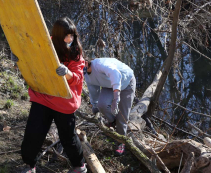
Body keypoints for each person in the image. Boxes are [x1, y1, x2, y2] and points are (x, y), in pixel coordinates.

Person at [21, 17, 87, 173]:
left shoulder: (75, 52)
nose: (69, 39)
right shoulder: (46, 44)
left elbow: (77, 77)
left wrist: (67, 73)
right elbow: (32, 60)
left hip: (64, 100)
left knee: (67, 137)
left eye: (71, 35)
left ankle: (79, 166)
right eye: (66, 35)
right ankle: (30, 165)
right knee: (33, 132)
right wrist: (19, 59)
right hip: (43, 95)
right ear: (57, 36)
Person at [84, 57, 136, 156]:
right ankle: (112, 121)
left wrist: (116, 98)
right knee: (102, 105)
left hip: (126, 83)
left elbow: (115, 74)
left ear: (86, 63)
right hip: (109, 85)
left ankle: (121, 141)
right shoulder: (86, 74)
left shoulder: (100, 65)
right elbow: (93, 89)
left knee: (122, 116)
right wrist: (94, 104)